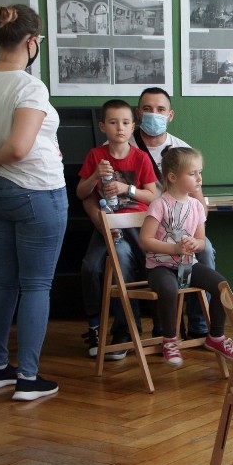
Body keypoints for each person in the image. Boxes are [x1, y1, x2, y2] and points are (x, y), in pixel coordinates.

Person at [0, 4, 66, 401]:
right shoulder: (29, 86)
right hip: (37, 192)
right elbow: (20, 147)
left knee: (5, 280)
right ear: (31, 41)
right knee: (37, 285)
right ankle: (27, 377)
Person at [131, 87, 217, 339]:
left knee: (206, 250)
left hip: (180, 229)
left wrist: (197, 215)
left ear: (170, 115)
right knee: (123, 256)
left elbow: (198, 199)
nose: (153, 114)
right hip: (139, 226)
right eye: (147, 109)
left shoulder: (182, 149)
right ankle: (130, 331)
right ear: (138, 113)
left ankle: (200, 324)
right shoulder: (124, 144)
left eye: (160, 109)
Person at [138, 147, 233, 366]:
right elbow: (145, 240)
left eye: (200, 172)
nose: (199, 178)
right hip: (159, 267)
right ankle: (170, 340)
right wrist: (173, 249)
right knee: (169, 288)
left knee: (222, 288)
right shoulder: (159, 204)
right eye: (193, 174)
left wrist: (195, 243)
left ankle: (216, 336)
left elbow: (201, 242)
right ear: (173, 177)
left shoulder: (197, 207)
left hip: (187, 266)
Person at [77, 99, 159, 360]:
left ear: (133, 126)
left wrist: (127, 189)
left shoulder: (141, 157)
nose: (119, 128)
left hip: (136, 225)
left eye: (125, 123)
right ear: (103, 126)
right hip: (108, 225)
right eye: (113, 123)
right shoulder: (95, 156)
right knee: (91, 266)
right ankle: (96, 326)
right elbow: (81, 193)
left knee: (126, 264)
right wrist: (94, 177)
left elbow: (153, 197)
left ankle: (128, 331)